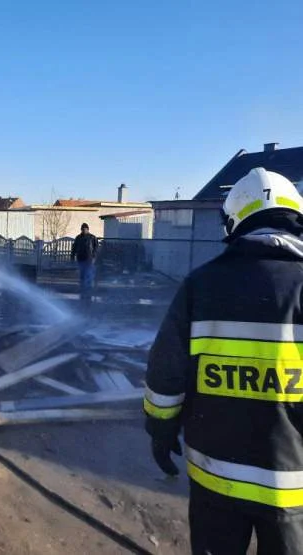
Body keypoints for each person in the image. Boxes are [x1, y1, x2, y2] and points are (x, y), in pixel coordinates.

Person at [144, 167, 303, 555]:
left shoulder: (201, 285)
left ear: (234, 222)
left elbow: (166, 372)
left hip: (216, 479)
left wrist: (160, 431)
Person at [70, 223, 99, 301]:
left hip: (89, 259)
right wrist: (72, 257)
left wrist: (94, 257)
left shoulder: (92, 238)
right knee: (82, 275)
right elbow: (74, 248)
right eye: (82, 229)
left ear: (88, 229)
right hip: (80, 259)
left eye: (85, 229)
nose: (83, 230)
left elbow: (96, 249)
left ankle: (88, 290)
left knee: (89, 275)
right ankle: (83, 289)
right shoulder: (78, 238)